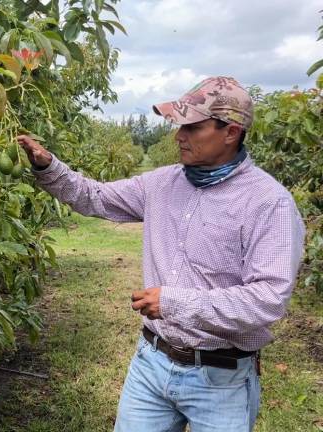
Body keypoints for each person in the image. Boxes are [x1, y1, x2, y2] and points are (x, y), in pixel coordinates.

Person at [17, 76, 306, 432]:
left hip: (222, 380)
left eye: (193, 127)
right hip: (152, 363)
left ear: (230, 132)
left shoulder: (268, 202)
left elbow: (267, 300)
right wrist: (48, 166)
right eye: (179, 126)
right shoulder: (161, 183)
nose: (179, 136)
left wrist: (174, 304)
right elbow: (96, 197)